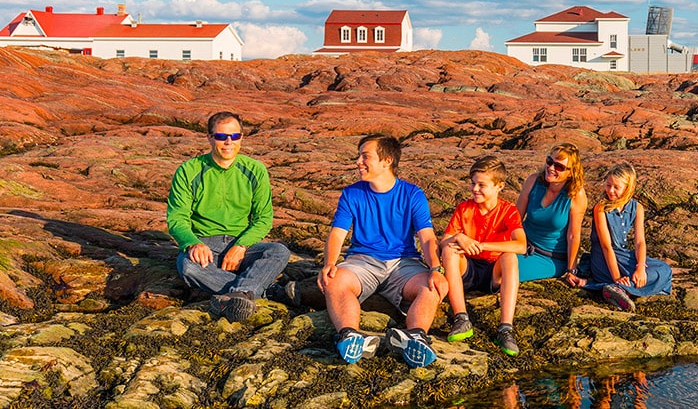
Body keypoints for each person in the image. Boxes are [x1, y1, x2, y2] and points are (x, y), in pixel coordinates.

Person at [318, 134, 448, 366]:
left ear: (387, 161)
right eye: (358, 156)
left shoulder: (412, 194)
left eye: (365, 156)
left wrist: (436, 268)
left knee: (435, 286)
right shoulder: (352, 193)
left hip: (403, 263)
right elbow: (338, 233)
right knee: (334, 280)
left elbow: (427, 237)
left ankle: (415, 337)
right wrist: (330, 263)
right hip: (362, 261)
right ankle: (350, 335)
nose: (358, 161)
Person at [166, 111, 290, 323]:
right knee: (188, 267)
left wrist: (241, 246)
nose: (228, 142)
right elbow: (177, 218)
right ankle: (261, 291)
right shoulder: (188, 170)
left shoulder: (255, 170)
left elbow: (263, 218)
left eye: (235, 136)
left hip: (242, 245)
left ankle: (238, 294)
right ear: (209, 137)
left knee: (278, 251)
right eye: (221, 136)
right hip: (205, 247)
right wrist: (192, 243)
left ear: (241, 137)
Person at [439, 155, 526, 356]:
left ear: (499, 186)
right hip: (467, 270)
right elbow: (443, 242)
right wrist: (459, 237)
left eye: (481, 185)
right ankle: (461, 318)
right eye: (473, 183)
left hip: (492, 273)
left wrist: (483, 245)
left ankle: (505, 328)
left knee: (510, 257)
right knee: (449, 250)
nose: (475, 189)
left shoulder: (509, 211)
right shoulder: (464, 208)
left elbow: (521, 245)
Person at [581, 163, 672, 312]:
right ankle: (620, 286)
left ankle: (621, 290)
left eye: (616, 187)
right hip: (604, 259)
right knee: (652, 277)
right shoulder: (601, 208)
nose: (610, 190)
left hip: (623, 255)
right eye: (608, 185)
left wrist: (641, 267)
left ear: (628, 188)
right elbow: (606, 246)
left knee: (665, 269)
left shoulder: (637, 208)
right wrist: (617, 277)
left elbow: (640, 242)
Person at [515, 143, 588, 286]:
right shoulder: (533, 181)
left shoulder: (576, 195)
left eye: (559, 167)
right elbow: (515, 219)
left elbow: (573, 236)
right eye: (550, 161)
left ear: (571, 172)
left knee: (503, 271)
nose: (551, 168)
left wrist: (571, 270)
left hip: (549, 258)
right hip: (521, 245)